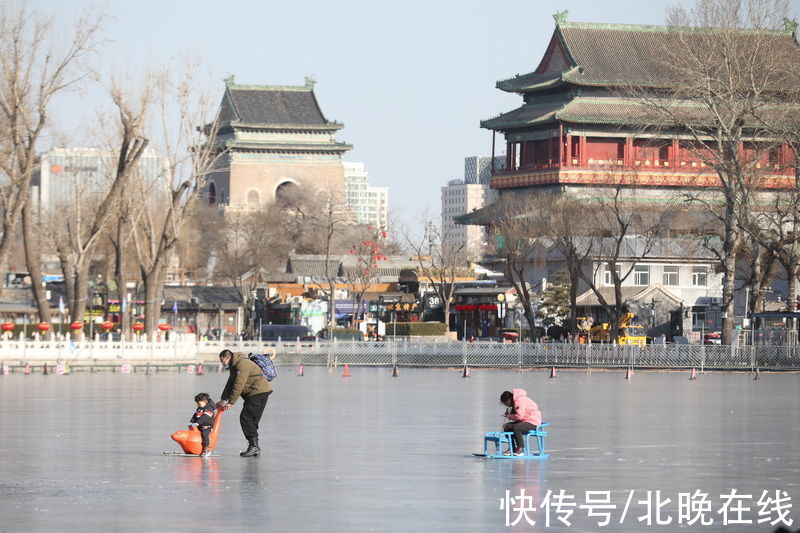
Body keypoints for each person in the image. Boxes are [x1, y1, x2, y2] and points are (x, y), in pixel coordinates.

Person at [216, 349, 273, 457]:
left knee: (245, 418)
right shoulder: (235, 366)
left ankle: (254, 446)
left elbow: (238, 385)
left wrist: (231, 402)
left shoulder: (242, 365)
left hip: (258, 392)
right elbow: (230, 384)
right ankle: (254, 446)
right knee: (252, 420)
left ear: (228, 358)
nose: (222, 364)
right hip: (257, 392)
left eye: (222, 361)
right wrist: (223, 399)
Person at [500, 389, 542, 456]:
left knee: (517, 427)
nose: (506, 405)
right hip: (525, 421)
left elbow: (520, 416)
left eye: (505, 403)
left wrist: (509, 416)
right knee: (507, 426)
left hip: (532, 421)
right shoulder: (515, 402)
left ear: (508, 400)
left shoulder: (519, 401)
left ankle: (520, 448)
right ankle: (512, 448)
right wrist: (510, 413)